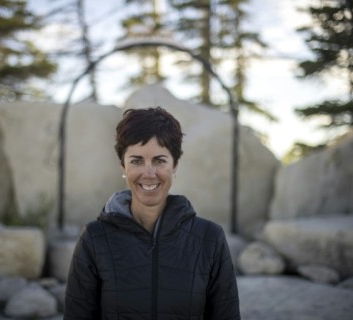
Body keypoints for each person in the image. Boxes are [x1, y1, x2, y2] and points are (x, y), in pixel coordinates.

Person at [64, 107, 241, 320]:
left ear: (175, 165)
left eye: (159, 160)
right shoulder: (94, 239)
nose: (149, 173)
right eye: (137, 161)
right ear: (123, 166)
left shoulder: (209, 239)